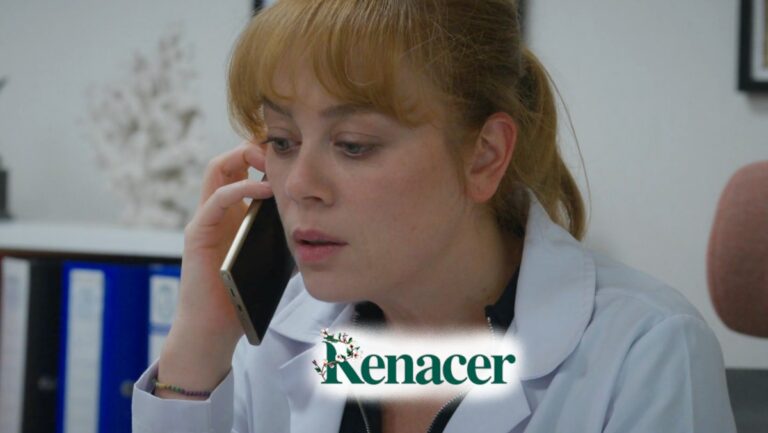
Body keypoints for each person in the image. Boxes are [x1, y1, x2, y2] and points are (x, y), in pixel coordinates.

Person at [131, 0, 737, 432]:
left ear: (484, 155)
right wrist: (200, 343)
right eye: (283, 142)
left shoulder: (646, 351)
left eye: (353, 146)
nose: (299, 186)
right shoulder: (281, 334)